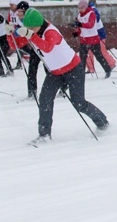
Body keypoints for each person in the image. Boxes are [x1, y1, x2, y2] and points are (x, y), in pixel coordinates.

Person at [17, 8, 108, 145]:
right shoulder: (33, 31)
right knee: (45, 99)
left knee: (79, 103)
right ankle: (44, 134)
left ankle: (102, 122)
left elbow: (47, 47)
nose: (30, 30)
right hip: (55, 72)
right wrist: (10, 34)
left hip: (73, 69)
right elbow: (16, 44)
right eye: (28, 28)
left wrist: (31, 35)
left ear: (39, 24)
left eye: (32, 28)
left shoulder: (51, 32)